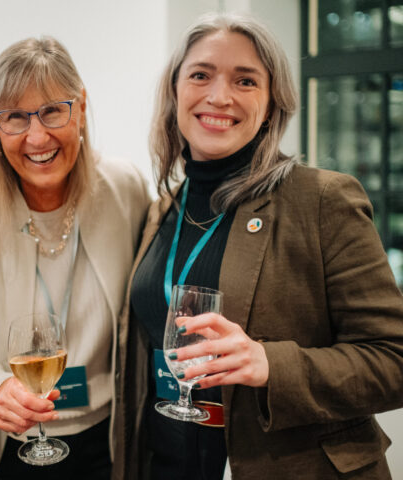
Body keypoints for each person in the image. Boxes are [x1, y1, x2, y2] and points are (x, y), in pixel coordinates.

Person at [116, 12, 403, 480]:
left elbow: (394, 359)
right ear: (175, 91)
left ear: (271, 104)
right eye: (200, 75)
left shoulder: (322, 200)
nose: (219, 96)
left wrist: (270, 363)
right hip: (169, 462)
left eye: (245, 80)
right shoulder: (163, 208)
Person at [0, 37, 150, 479]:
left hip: (111, 441)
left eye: (53, 111)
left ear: (82, 107)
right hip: (9, 446)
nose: (37, 137)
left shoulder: (125, 190)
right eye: (15, 117)